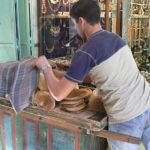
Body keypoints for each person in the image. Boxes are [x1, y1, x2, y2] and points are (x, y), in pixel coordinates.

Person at [35, 0, 150, 149]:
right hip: (147, 101)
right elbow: (96, 75)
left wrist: (45, 67)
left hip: (126, 117)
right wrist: (56, 73)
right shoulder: (115, 38)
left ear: (81, 21)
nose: (75, 29)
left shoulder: (86, 51)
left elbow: (58, 94)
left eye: (74, 24)